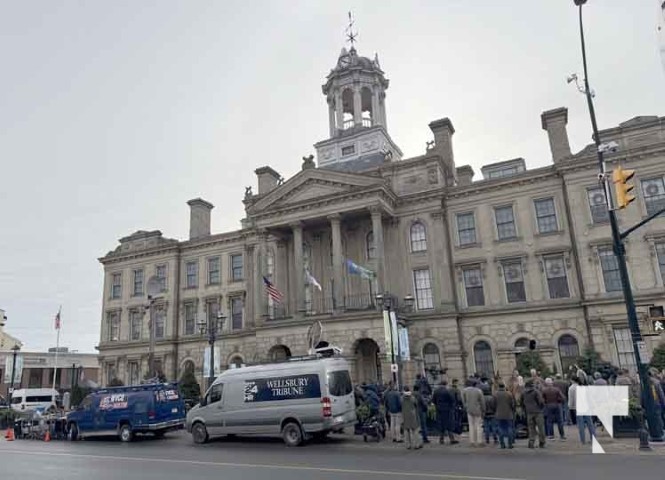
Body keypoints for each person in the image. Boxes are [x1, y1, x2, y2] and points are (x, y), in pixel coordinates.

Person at [432, 380, 458, 445]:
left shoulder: (436, 391)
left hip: (439, 409)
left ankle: (441, 439)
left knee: (441, 424)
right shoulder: (447, 391)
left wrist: (437, 405)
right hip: (447, 409)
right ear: (445, 384)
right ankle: (452, 439)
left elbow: (433, 400)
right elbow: (452, 400)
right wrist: (452, 407)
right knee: (449, 424)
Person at [522, 379, 546, 449]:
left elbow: (521, 402)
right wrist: (541, 407)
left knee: (531, 428)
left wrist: (525, 409)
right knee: (541, 428)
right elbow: (541, 401)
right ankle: (542, 442)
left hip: (529, 412)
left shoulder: (523, 393)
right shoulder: (536, 391)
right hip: (538, 412)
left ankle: (531, 442)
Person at [462, 378, 485, 447]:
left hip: (469, 410)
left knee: (471, 425)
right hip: (477, 410)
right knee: (478, 425)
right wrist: (483, 410)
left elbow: (463, 400)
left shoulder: (465, 390)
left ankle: (472, 441)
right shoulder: (479, 391)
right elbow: (482, 402)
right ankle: (479, 441)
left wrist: (465, 406)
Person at [493, 382, 515, 449]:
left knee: (500, 428)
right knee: (509, 428)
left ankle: (502, 444)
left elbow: (493, 404)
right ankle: (510, 444)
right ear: (504, 387)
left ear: (499, 387)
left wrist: (495, 411)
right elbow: (512, 404)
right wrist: (512, 410)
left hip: (499, 414)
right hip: (508, 414)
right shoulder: (509, 394)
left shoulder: (495, 394)